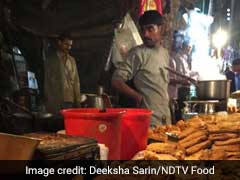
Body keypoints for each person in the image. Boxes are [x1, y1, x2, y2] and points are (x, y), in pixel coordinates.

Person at [111, 10, 171, 127]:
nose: (145, 35)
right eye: (143, 30)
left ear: (161, 29)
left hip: (165, 118)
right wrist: (137, 96)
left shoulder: (165, 53)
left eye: (150, 29)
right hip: (149, 121)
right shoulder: (137, 53)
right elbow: (116, 81)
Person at [44, 33, 81, 114]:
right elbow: (46, 81)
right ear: (59, 42)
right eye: (66, 44)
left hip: (69, 101)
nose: (69, 47)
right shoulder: (50, 60)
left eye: (70, 45)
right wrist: (48, 100)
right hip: (55, 101)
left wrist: (78, 101)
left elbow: (76, 82)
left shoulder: (72, 61)